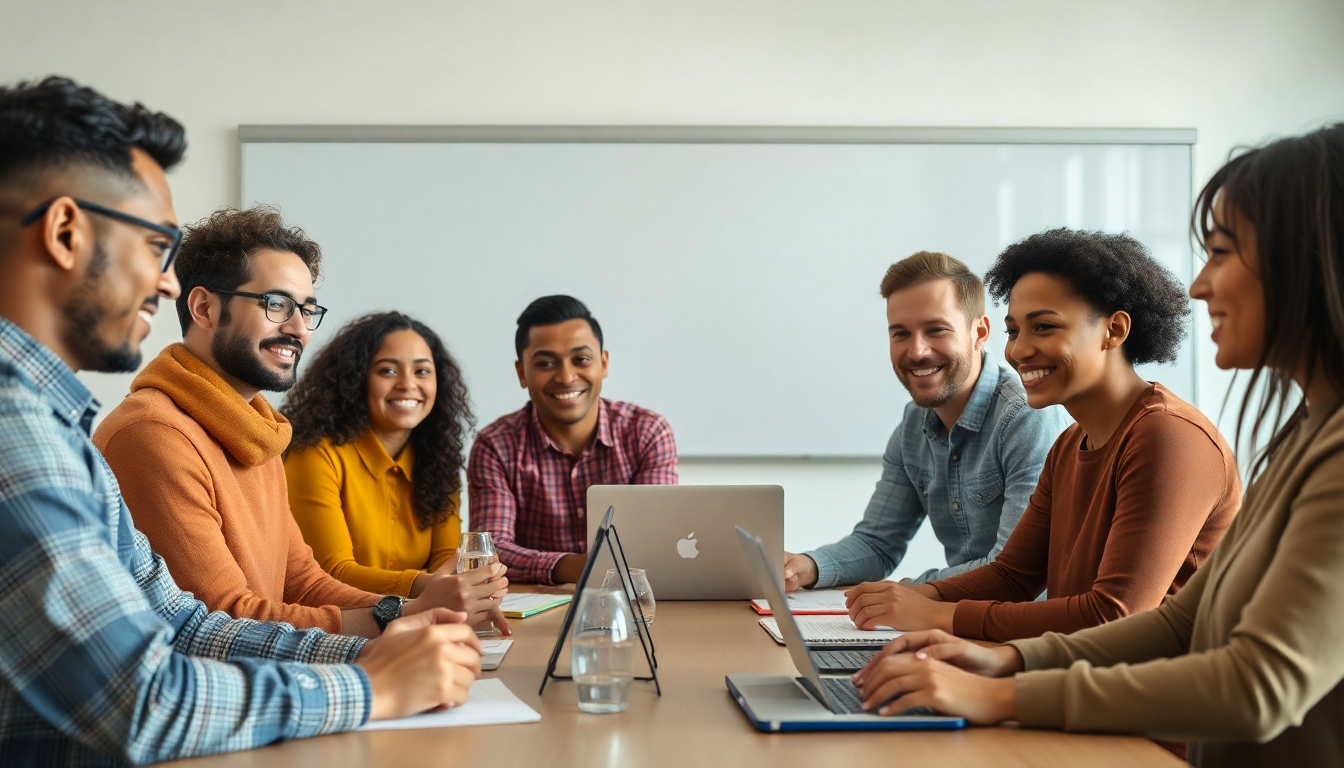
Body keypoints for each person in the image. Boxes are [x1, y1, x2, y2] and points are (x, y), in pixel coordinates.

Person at [0, 75, 481, 765]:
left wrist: (379, 640)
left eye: (305, 309)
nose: (166, 281)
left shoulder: (57, 425)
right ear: (65, 232)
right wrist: (370, 685)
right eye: (154, 246)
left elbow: (186, 625)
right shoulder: (21, 431)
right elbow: (140, 701)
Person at [853, 123, 1344, 768]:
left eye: (1223, 252)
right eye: (1015, 329)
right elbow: (1179, 623)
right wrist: (1006, 660)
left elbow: (1243, 678)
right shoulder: (1302, 437)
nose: (1200, 285)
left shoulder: (1175, 437)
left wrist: (999, 684)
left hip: (1147, 743)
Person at [93, 206, 508, 638]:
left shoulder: (258, 432)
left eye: (307, 311)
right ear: (205, 308)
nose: (299, 329)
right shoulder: (153, 435)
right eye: (277, 304)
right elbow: (221, 623)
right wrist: (404, 616)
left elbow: (304, 585)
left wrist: (418, 609)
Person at [846, 230, 1241, 643]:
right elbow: (1012, 576)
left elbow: (1113, 615)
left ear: (1114, 330)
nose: (1018, 351)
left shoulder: (1170, 437)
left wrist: (937, 614)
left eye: (1044, 327)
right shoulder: (1069, 446)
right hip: (1081, 671)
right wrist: (917, 596)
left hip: (1161, 682)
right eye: (1014, 331)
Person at [782, 251, 1071, 592]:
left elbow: (1013, 570)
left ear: (980, 333)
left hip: (1028, 621)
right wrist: (806, 566)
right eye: (900, 334)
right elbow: (877, 544)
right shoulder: (913, 426)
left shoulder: (1028, 417)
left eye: (936, 330)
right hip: (954, 615)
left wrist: (909, 591)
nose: (917, 351)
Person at [468, 295, 678, 584]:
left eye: (581, 360)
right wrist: (573, 567)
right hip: (536, 607)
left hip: (631, 600)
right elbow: (489, 553)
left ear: (603, 363)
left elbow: (658, 538)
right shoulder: (495, 446)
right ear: (521, 373)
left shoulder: (648, 433)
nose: (566, 377)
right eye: (545, 363)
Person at [283, 311, 482, 602]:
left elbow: (447, 562)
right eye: (388, 371)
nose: (408, 384)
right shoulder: (314, 455)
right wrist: (437, 588)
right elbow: (331, 574)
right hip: (338, 622)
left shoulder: (439, 462)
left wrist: (463, 586)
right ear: (355, 380)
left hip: (422, 617)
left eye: (422, 371)